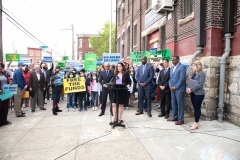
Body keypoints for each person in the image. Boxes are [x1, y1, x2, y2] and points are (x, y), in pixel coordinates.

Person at [186, 60, 205, 130]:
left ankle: (196, 123)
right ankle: (195, 122)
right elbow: (191, 83)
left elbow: (199, 85)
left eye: (194, 65)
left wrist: (191, 89)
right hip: (193, 93)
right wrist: (188, 88)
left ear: (198, 66)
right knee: (195, 108)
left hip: (199, 94)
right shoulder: (193, 74)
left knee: (197, 108)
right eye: (192, 65)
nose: (192, 67)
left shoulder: (201, 74)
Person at [168, 55, 186, 125]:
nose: (173, 61)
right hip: (172, 89)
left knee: (180, 105)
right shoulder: (172, 68)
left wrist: (175, 87)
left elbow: (182, 79)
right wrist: (170, 86)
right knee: (174, 104)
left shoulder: (182, 67)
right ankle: (175, 116)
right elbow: (170, 78)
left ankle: (181, 119)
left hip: (179, 89)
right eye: (172, 60)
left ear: (178, 60)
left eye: (174, 60)